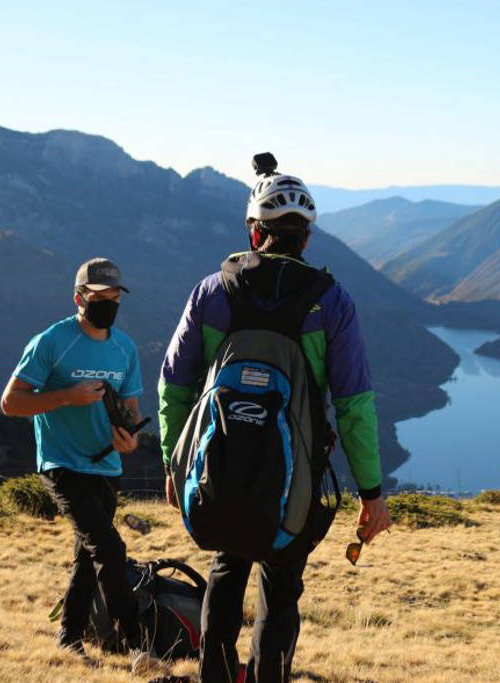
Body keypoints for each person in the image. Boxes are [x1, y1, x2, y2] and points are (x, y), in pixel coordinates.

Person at [158, 158, 393, 682]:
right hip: (297, 478)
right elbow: (355, 404)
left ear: (254, 231)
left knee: (226, 568)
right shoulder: (331, 301)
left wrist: (176, 465)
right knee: (281, 589)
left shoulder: (211, 292)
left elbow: (173, 385)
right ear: (306, 238)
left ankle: (215, 675)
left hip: (217, 468)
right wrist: (371, 492)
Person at [0, 257, 146, 664]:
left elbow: (132, 408)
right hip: (62, 465)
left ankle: (69, 637)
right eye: (101, 297)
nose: (110, 304)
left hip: (107, 467)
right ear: (78, 297)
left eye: (115, 297)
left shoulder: (124, 348)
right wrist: (67, 395)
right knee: (110, 549)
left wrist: (130, 438)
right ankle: (136, 645)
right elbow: (11, 403)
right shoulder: (51, 341)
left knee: (88, 555)